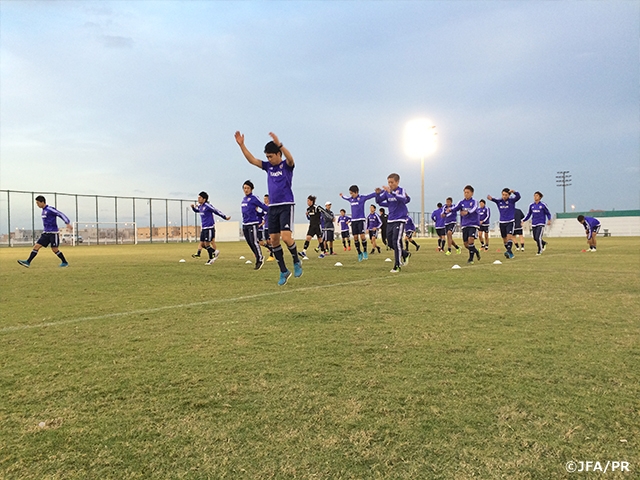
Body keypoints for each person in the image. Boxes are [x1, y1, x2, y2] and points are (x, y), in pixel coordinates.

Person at [235, 131, 302, 285]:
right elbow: (252, 160)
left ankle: (296, 261)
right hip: (272, 208)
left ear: (278, 154)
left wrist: (280, 144)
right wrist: (242, 145)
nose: (269, 159)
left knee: (286, 237)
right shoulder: (267, 167)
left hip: (286, 205)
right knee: (274, 240)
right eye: (267, 157)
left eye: (271, 156)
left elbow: (291, 159)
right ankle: (284, 271)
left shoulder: (286, 165)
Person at [17, 195, 72, 268]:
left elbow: (60, 213)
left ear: (42, 202)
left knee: (54, 249)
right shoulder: (43, 211)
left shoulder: (50, 209)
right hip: (46, 233)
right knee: (36, 246)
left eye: (38, 203)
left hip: (53, 233)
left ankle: (65, 262)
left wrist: (67, 222)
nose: (37, 205)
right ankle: (28, 262)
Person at [375, 173, 410, 273]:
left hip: (400, 219)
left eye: (392, 182)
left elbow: (403, 199)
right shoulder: (387, 193)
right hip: (391, 219)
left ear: (397, 182)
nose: (390, 184)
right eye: (389, 182)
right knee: (389, 242)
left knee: (396, 241)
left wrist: (392, 192)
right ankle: (405, 254)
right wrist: (377, 194)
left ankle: (397, 265)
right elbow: (379, 202)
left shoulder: (401, 190)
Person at [190, 191, 230, 265]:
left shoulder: (207, 206)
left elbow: (216, 211)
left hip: (209, 228)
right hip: (204, 228)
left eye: (200, 198)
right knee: (202, 244)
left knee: (207, 244)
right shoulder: (200, 206)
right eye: (198, 198)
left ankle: (211, 257)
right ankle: (210, 253)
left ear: (204, 199)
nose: (198, 199)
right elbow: (197, 211)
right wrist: (193, 208)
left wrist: (224, 217)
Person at [340, 185, 377, 261]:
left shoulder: (362, 198)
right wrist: (342, 196)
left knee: (362, 236)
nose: (351, 195)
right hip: (354, 221)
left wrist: (376, 193)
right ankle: (359, 253)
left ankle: (365, 251)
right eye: (350, 193)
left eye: (352, 193)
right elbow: (345, 197)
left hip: (361, 220)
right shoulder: (351, 199)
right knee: (355, 238)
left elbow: (370, 196)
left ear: (356, 192)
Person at [446, 185, 481, 265]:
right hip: (465, 224)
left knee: (470, 240)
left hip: (473, 224)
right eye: (465, 192)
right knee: (466, 244)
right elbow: (455, 208)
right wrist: (450, 210)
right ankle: (476, 251)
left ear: (472, 193)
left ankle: (470, 259)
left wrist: (467, 212)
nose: (466, 194)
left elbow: (474, 209)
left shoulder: (475, 202)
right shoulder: (461, 202)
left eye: (468, 192)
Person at [241, 180, 270, 270]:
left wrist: (270, 211)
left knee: (254, 242)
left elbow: (263, 207)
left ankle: (260, 259)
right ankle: (258, 256)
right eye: (244, 188)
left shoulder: (254, 198)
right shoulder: (244, 199)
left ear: (251, 189)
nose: (246, 190)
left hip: (252, 223)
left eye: (248, 188)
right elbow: (253, 211)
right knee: (249, 243)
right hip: (245, 224)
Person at [487, 188, 521, 259]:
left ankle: (508, 251)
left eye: (506, 195)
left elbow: (518, 197)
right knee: (504, 239)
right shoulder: (499, 201)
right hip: (502, 222)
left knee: (509, 237)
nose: (504, 196)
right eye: (503, 195)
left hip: (510, 222)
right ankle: (510, 252)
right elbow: (494, 199)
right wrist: (490, 198)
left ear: (509, 195)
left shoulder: (512, 200)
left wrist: (514, 192)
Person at [258, 194, 274, 261]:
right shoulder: (263, 208)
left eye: (266, 199)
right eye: (264, 199)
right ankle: (273, 251)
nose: (264, 200)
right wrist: (261, 224)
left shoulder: (271, 207)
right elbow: (263, 217)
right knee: (267, 242)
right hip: (266, 226)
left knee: (270, 241)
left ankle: (272, 255)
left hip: (271, 226)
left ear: (268, 199)